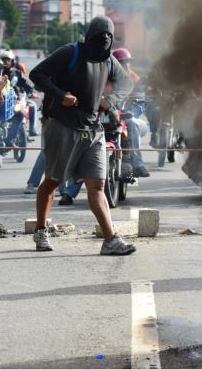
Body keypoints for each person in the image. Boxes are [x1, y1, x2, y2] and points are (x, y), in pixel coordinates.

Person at [28, 15, 135, 254]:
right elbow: (36, 74)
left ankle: (110, 240)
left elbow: (126, 84)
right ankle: (41, 231)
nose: (104, 42)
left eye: (108, 37)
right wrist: (60, 94)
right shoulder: (70, 52)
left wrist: (109, 102)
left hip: (93, 128)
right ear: (90, 36)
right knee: (53, 181)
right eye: (100, 37)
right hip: (62, 125)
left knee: (97, 185)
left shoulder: (108, 60)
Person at [112, 48, 151, 178]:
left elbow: (140, 102)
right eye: (121, 62)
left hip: (130, 118)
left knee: (132, 123)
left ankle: (138, 165)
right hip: (111, 117)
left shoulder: (135, 79)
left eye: (127, 62)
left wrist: (130, 113)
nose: (126, 65)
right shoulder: (108, 78)